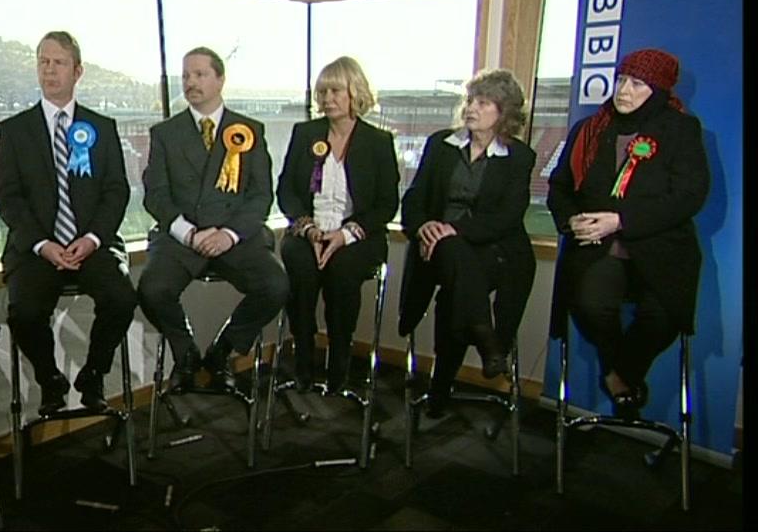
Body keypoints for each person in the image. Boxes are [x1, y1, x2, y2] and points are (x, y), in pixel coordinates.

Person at [547, 48, 709, 419]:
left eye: (637, 84)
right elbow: (559, 187)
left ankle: (620, 375)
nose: (624, 90)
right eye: (621, 80)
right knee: (589, 304)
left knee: (664, 317)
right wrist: (570, 220)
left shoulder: (681, 129)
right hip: (597, 247)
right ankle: (618, 375)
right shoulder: (589, 130)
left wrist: (620, 220)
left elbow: (689, 196)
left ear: (658, 90)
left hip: (662, 250)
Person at [0, 31, 137, 415]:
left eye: (58, 62)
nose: (49, 69)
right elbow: (8, 198)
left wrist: (92, 239)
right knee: (23, 311)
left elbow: (115, 191)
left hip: (91, 245)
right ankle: (50, 379)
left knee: (122, 297)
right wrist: (43, 244)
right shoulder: (14, 130)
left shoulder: (101, 127)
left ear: (78, 71)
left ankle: (93, 374)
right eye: (43, 61)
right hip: (37, 249)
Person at [139, 46, 289, 393]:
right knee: (152, 289)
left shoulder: (249, 131)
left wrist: (229, 234)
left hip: (233, 236)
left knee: (275, 285)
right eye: (186, 76)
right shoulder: (165, 133)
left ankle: (223, 352)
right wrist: (188, 233)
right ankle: (185, 353)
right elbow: (155, 195)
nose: (190, 82)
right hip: (183, 237)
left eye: (200, 74)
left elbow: (260, 196)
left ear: (220, 79)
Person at [397, 68, 536, 417]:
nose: (472, 108)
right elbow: (413, 199)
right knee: (454, 262)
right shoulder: (442, 145)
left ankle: (440, 386)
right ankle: (487, 340)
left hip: (495, 253)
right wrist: (426, 225)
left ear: (503, 113)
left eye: (484, 102)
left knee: (456, 293)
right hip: (440, 249)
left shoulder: (518, 156)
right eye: (471, 100)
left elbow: (507, 217)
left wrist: (453, 230)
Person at [276, 57, 399, 393]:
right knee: (299, 267)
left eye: (335, 90)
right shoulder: (305, 134)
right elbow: (286, 189)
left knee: (341, 272)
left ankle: (339, 364)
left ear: (354, 93)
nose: (327, 98)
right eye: (322, 91)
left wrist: (344, 235)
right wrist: (310, 230)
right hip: (308, 231)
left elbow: (387, 204)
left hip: (358, 237)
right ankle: (303, 356)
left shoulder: (378, 142)